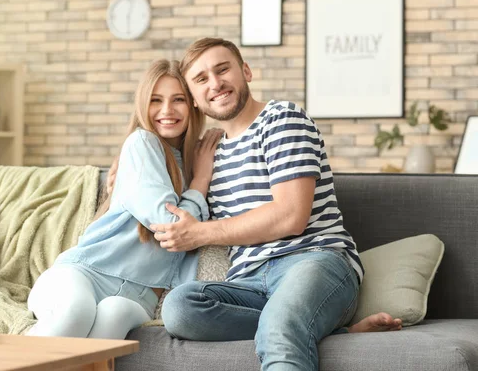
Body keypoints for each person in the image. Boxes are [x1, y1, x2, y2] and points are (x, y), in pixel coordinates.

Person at [108, 38, 402, 370]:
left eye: (223, 70)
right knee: (182, 309)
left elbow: (290, 216)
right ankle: (328, 329)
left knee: (281, 324)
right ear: (193, 98)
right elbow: (166, 194)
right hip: (247, 282)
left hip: (311, 262)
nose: (215, 83)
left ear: (245, 71)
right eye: (201, 79)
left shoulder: (281, 118)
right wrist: (129, 160)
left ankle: (292, 325)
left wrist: (201, 233)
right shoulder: (210, 152)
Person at [26, 59, 222, 340]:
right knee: (77, 312)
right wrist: (200, 182)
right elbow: (169, 224)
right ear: (143, 104)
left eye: (178, 99)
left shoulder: (198, 158)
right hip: (87, 274)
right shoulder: (142, 143)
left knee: (111, 320)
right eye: (156, 100)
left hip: (140, 297)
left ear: (192, 103)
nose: (167, 110)